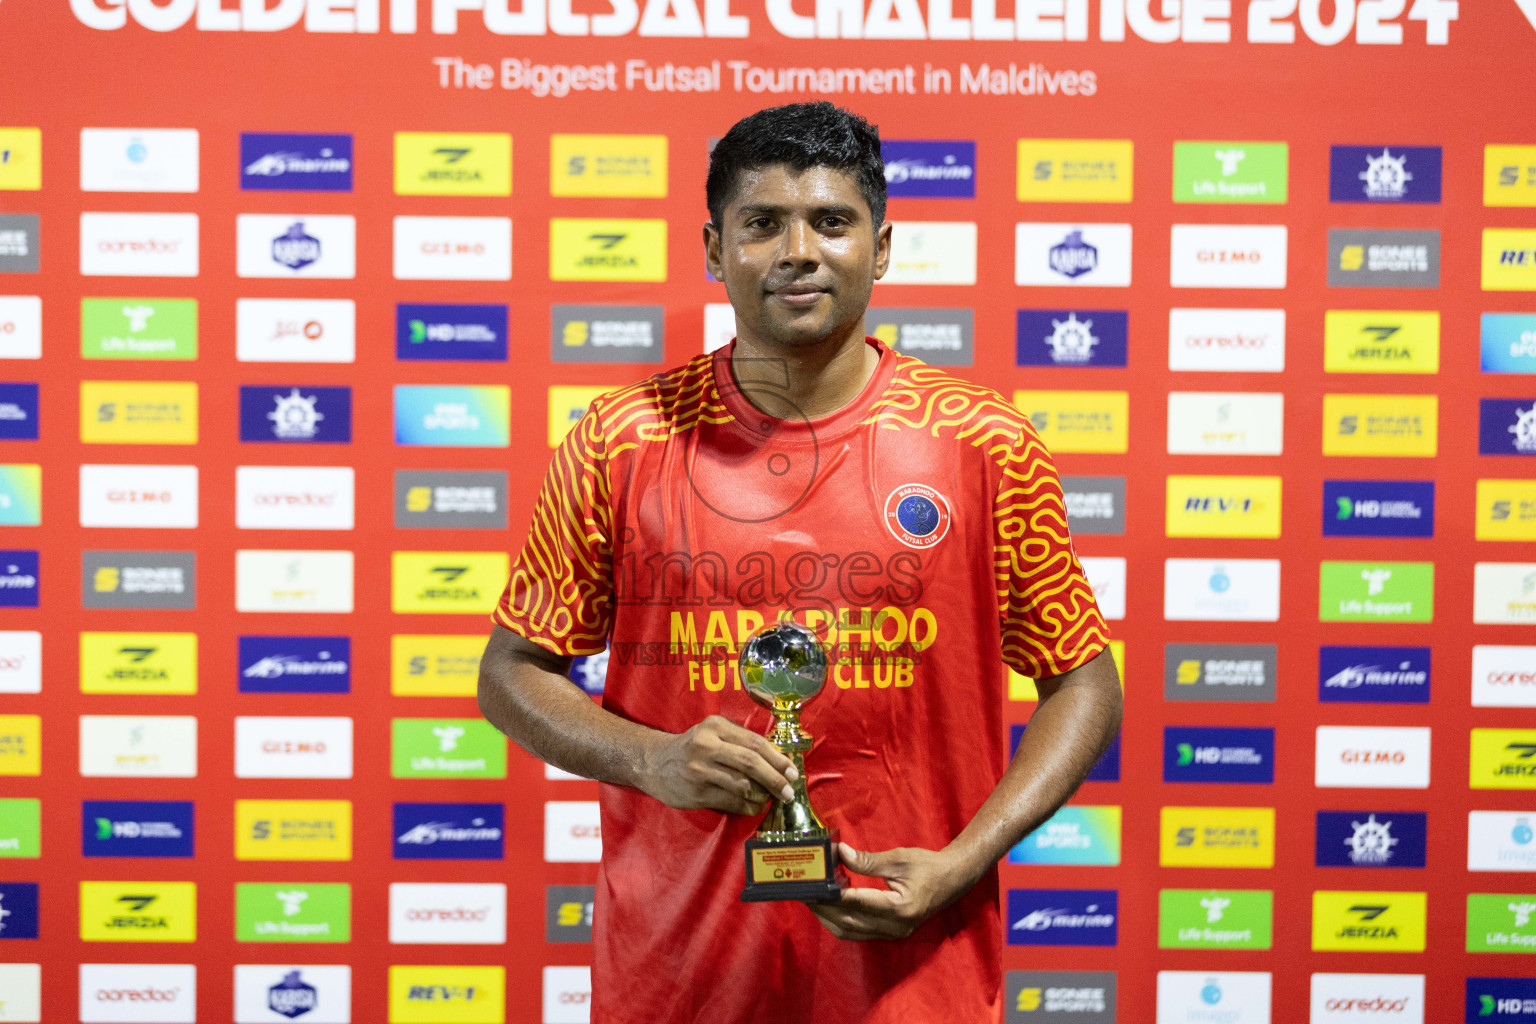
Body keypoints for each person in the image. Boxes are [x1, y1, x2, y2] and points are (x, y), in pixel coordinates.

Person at [478, 101, 1122, 1024]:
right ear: (713, 248)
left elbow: (1085, 685)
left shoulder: (983, 441)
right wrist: (653, 760)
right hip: (680, 974)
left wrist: (964, 860)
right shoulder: (621, 440)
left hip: (911, 974)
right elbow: (512, 672)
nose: (798, 251)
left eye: (830, 221)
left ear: (883, 246)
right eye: (762, 224)